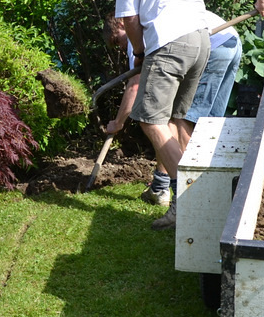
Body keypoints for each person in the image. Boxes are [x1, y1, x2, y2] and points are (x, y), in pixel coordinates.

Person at [110, 0, 264, 230]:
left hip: (169, 43)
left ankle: (196, 198)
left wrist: (140, 54)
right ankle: (181, 208)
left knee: (150, 120)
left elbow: (128, 17)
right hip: (201, 41)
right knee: (176, 120)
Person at [104, 11, 243, 207]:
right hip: (231, 42)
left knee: (180, 121)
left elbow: (135, 86)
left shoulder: (136, 33)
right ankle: (166, 186)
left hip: (212, 46)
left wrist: (118, 123)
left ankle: (189, 199)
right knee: (205, 124)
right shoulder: (155, 15)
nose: (121, 46)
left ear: (121, 24)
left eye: (117, 40)